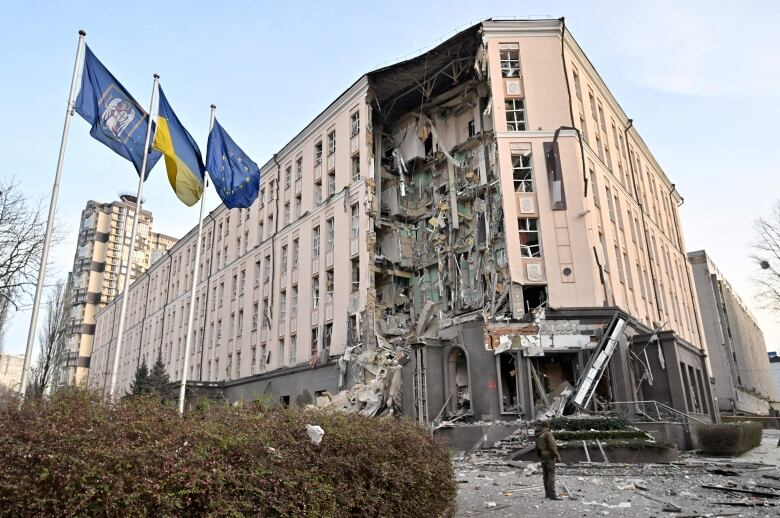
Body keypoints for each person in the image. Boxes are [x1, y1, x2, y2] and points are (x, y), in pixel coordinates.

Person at [535, 420, 562, 500]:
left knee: (545, 476)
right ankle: (552, 495)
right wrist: (558, 456)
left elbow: (537, 447)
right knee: (551, 476)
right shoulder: (548, 434)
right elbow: (552, 446)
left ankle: (547, 494)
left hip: (543, 457)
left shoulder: (538, 434)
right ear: (547, 426)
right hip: (549, 457)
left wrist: (540, 455)